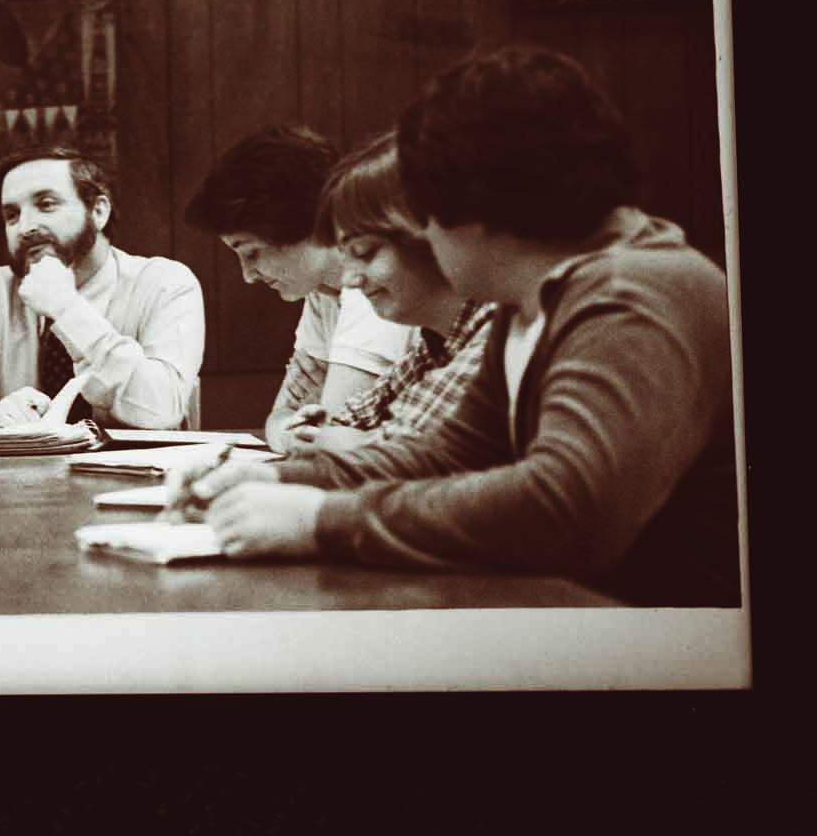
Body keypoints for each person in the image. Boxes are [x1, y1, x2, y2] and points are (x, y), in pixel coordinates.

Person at [165, 47, 740, 608]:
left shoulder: (636, 291)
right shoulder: (536, 301)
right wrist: (281, 481)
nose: (427, 241)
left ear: (479, 210)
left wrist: (324, 520)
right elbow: (447, 456)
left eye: (428, 216)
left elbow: (569, 508)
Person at [0, 146, 204, 441]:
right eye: (11, 215)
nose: (25, 227)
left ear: (99, 212)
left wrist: (68, 310)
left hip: (137, 493)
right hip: (20, 495)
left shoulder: (165, 283)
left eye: (46, 205)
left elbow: (161, 410)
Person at [183, 125, 414, 452]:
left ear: (305, 225)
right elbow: (281, 419)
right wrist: (288, 433)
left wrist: (293, 434)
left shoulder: (370, 290)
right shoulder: (323, 294)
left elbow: (330, 434)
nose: (249, 276)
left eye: (252, 253)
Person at [286, 131, 497, 453]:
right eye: (347, 255)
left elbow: (414, 459)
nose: (351, 280)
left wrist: (361, 443)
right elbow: (340, 426)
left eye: (366, 253)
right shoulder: (434, 346)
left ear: (430, 235)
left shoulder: (495, 333)